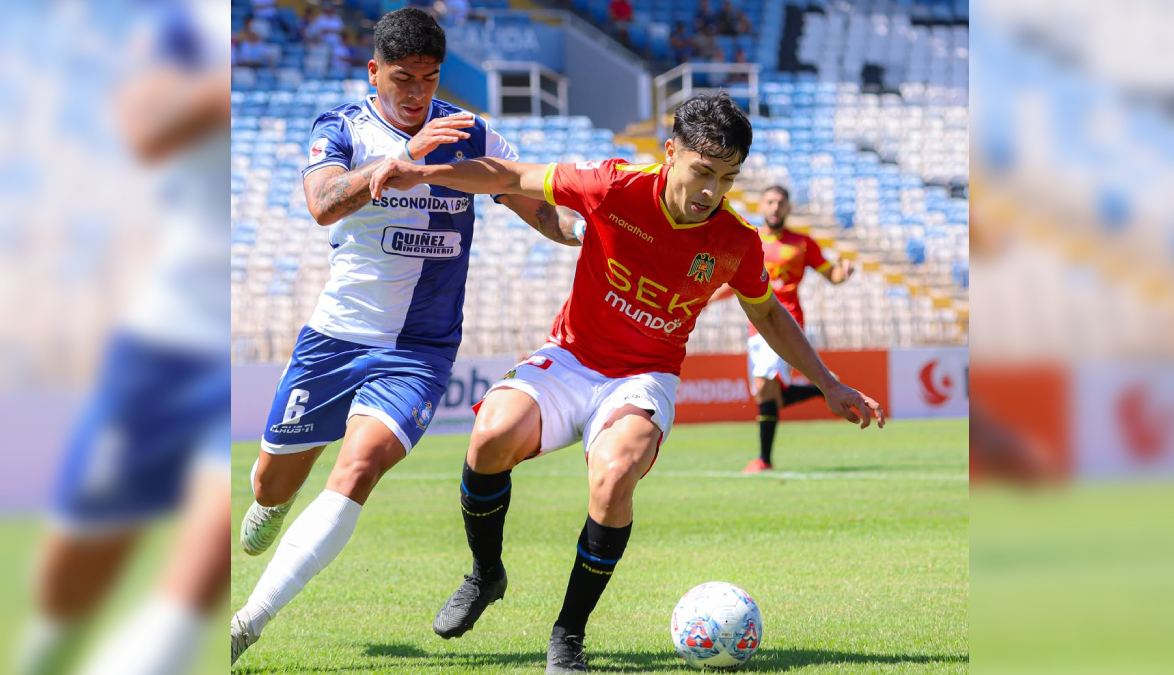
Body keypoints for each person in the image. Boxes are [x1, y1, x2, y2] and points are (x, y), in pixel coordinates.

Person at [367, 92, 885, 674]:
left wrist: (829, 383)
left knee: (613, 478)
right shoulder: (612, 187)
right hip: (570, 355)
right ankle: (486, 575)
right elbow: (510, 173)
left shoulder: (736, 241)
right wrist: (419, 171)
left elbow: (766, 312)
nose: (713, 191)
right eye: (703, 172)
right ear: (670, 154)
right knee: (490, 436)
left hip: (645, 375)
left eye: (729, 178)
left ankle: (568, 636)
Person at [229, 7, 581, 666]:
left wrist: (585, 231)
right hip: (335, 338)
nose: (417, 92)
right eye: (402, 78)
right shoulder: (341, 126)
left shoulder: (469, 133)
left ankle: (248, 621)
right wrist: (402, 158)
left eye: (428, 77)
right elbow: (322, 204)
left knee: (358, 466)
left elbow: (537, 206)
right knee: (273, 484)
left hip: (420, 349)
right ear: (374, 72)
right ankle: (269, 504)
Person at [15, 2, 232, 675]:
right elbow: (140, 130)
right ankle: (47, 651)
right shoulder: (190, 23)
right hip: (170, 334)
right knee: (74, 569)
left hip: (233, 341)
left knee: (205, 564)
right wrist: (228, 88)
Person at [711, 186, 855, 474]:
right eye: (770, 202)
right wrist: (707, 299)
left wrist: (844, 271)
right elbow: (736, 282)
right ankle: (821, 387)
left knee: (765, 387)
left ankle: (764, 460)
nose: (775, 207)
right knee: (768, 396)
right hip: (756, 323)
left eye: (781, 203)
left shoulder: (802, 244)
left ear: (788, 208)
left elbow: (832, 275)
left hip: (787, 320)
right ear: (762, 206)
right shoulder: (750, 240)